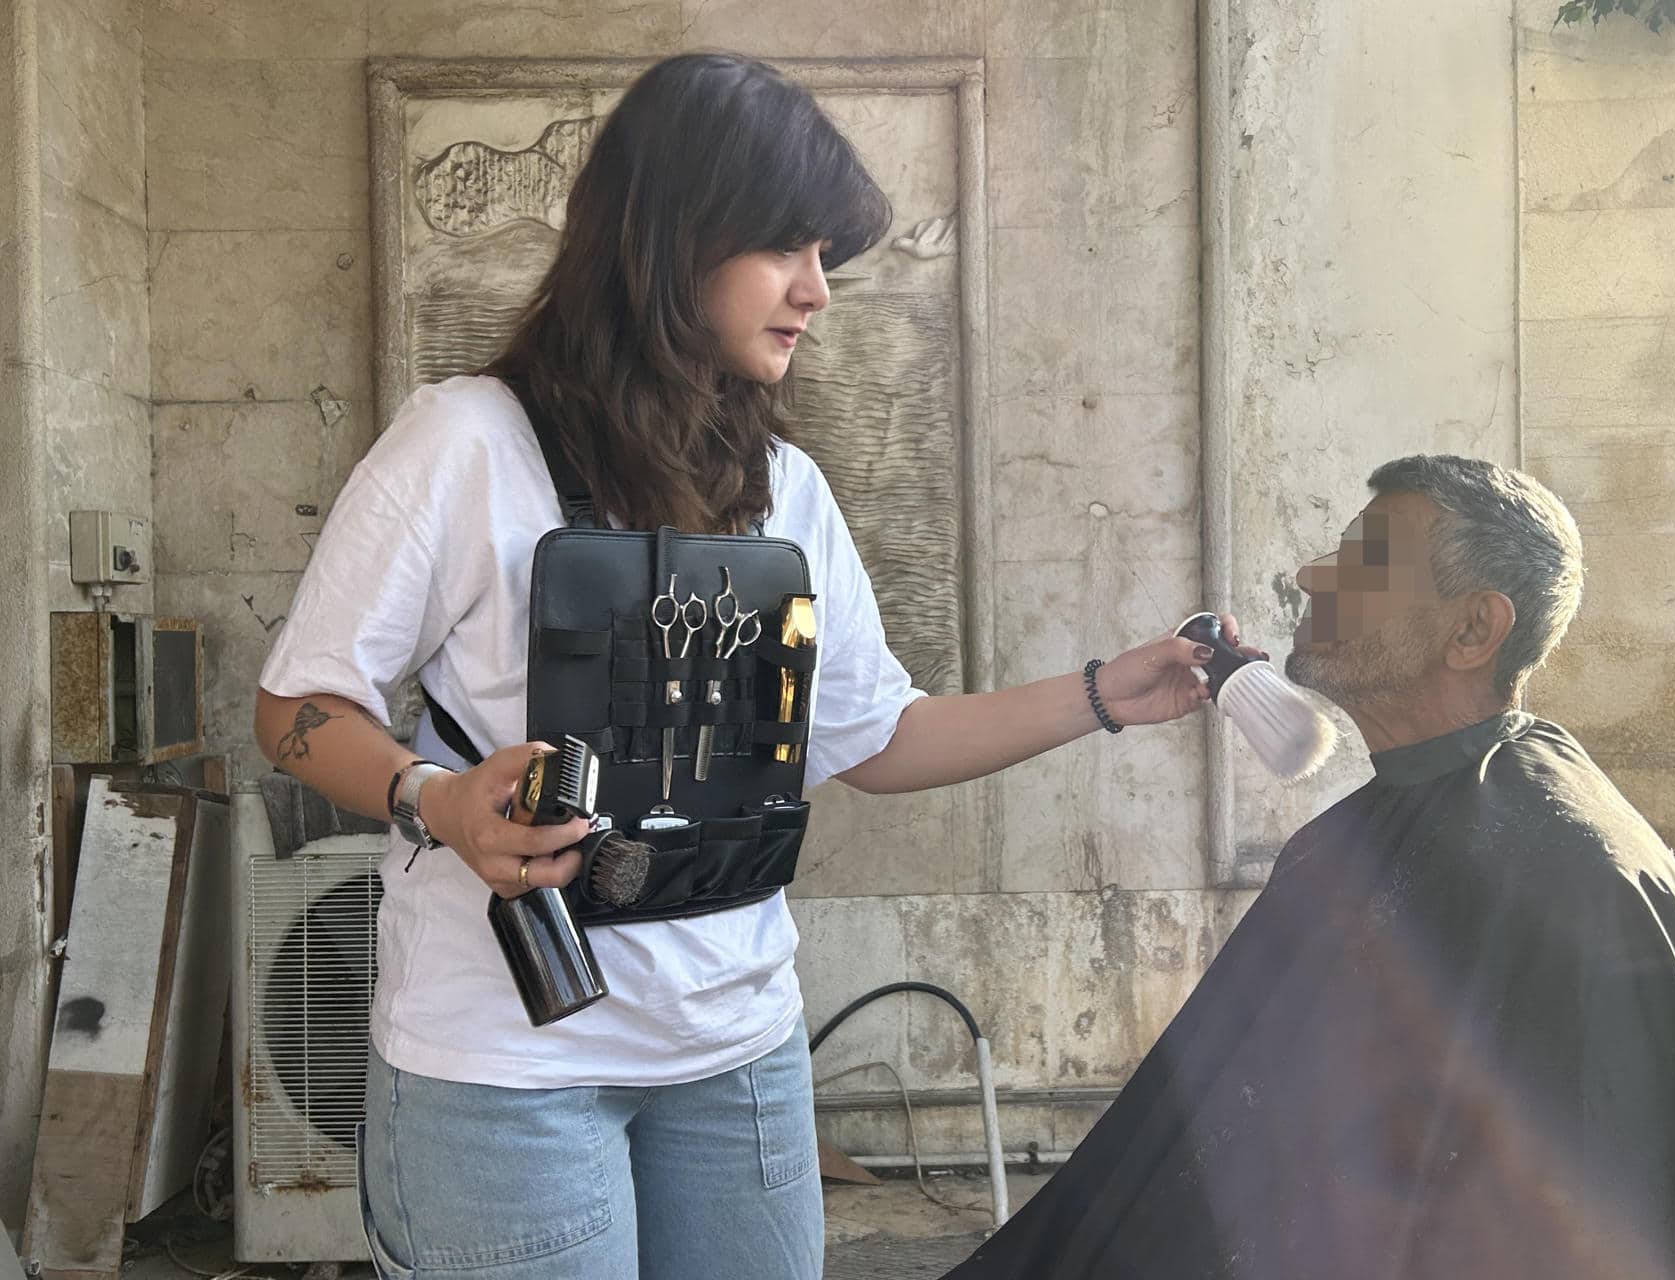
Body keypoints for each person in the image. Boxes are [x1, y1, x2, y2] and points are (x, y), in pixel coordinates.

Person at [254, 53, 1239, 1280]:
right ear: (672, 240)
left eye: (826, 255)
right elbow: (298, 706)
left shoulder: (785, 488)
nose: (817, 291)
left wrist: (1106, 693)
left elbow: (876, 740)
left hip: (740, 1059)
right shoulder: (463, 444)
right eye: (787, 246)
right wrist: (434, 798)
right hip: (505, 1069)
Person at [944, 455, 1675, 1280]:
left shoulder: (1565, 877)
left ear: (1475, 628)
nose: (1311, 576)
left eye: (1365, 562)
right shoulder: (1365, 836)